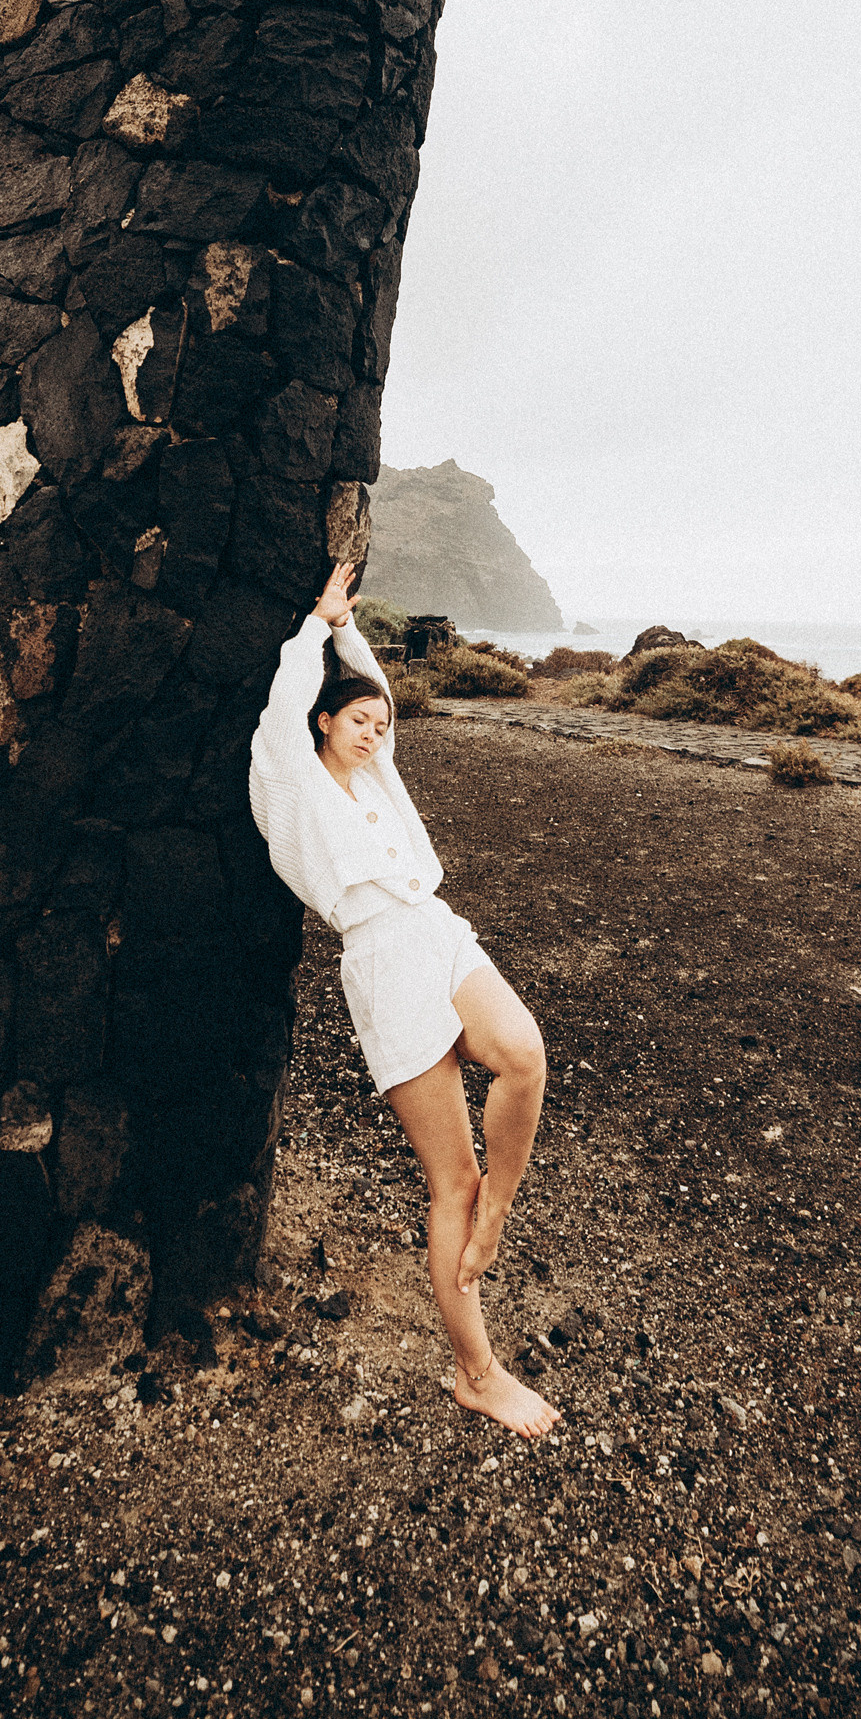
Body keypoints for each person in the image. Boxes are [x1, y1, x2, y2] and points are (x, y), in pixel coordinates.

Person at [251, 561, 561, 1440]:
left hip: (435, 928)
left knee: (524, 1055)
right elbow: (281, 711)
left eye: (380, 724)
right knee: (449, 1181)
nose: (372, 731)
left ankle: (500, 1209)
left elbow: (377, 687)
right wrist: (317, 626)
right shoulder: (293, 779)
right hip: (380, 957)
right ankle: (477, 1372)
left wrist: (352, 634)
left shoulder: (380, 773)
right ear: (323, 722)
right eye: (357, 720)